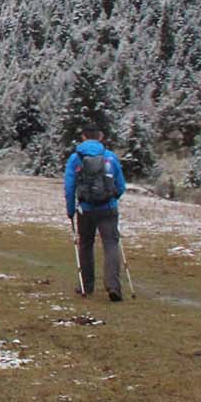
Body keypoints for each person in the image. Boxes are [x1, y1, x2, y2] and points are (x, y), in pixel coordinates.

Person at [65, 125, 127, 300]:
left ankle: (87, 285)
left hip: (85, 209)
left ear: (83, 137)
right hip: (108, 207)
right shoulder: (110, 157)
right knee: (111, 244)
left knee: (85, 244)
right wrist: (113, 198)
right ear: (100, 137)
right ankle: (113, 286)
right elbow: (121, 185)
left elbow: (69, 187)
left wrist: (70, 210)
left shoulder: (75, 159)